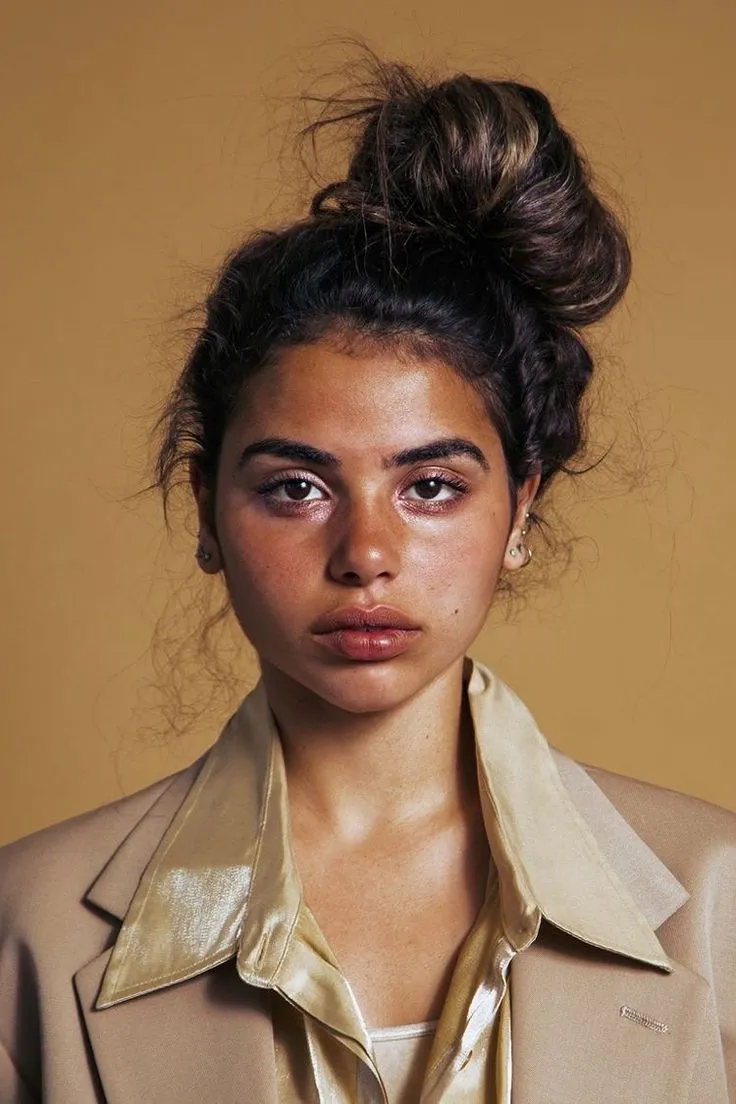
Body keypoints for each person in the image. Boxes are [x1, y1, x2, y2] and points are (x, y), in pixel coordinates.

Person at [0, 57, 733, 1104]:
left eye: (430, 486)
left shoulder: (716, 900)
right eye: (297, 487)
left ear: (520, 509)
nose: (365, 554)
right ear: (206, 508)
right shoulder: (26, 929)